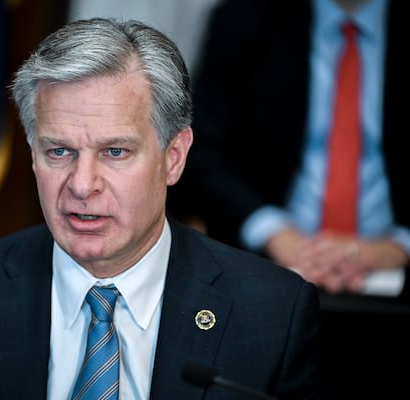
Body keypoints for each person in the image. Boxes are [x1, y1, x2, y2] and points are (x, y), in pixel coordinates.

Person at [0, 17, 327, 399]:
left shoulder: (273, 315)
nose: (82, 184)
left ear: (174, 157)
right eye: (58, 151)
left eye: (115, 152)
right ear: (32, 155)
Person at [168, 0, 410, 397]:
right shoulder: (245, 19)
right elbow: (200, 149)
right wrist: (276, 233)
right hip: (270, 269)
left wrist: (398, 246)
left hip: (396, 279)